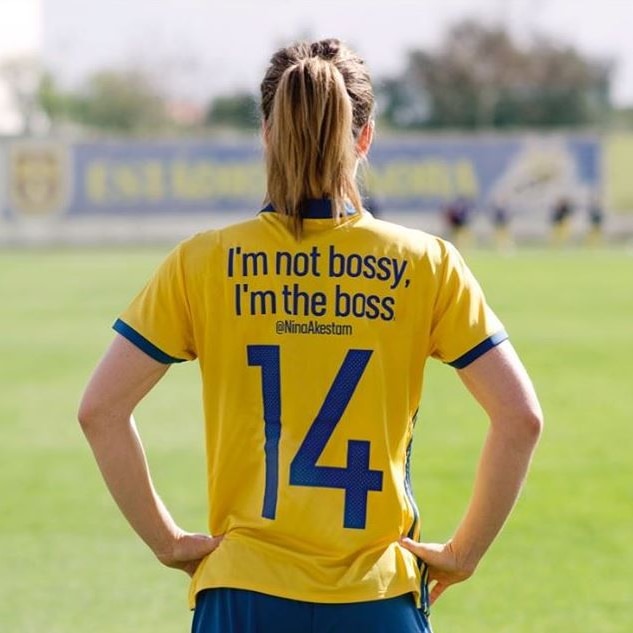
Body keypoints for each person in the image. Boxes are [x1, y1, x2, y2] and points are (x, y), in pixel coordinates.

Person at [78, 38, 543, 633]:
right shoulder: (427, 262)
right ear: (365, 136)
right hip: (376, 597)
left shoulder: (203, 261)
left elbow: (100, 410)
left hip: (242, 594)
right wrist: (463, 554)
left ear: (267, 134)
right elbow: (521, 418)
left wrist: (167, 541)